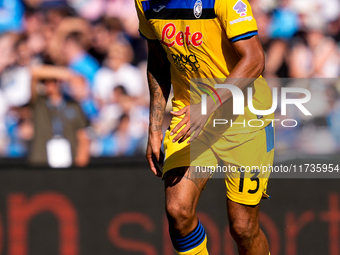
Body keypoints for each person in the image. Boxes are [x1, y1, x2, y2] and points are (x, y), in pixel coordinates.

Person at [135, 0, 275, 254]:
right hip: (191, 116)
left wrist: (209, 104)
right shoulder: (144, 2)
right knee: (178, 211)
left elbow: (255, 59)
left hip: (245, 118)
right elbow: (157, 63)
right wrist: (154, 127)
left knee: (243, 227)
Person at [29, 66, 90, 167]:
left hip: (69, 159)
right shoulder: (39, 103)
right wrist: (68, 75)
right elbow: (34, 73)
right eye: (45, 82)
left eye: (52, 81)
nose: (48, 85)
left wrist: (80, 160)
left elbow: (82, 134)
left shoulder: (73, 105)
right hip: (42, 160)